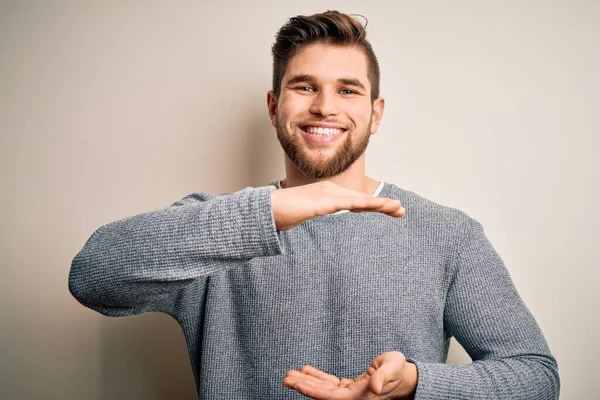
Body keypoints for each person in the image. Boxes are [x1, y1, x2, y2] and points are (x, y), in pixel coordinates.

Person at [69, 10, 560, 400]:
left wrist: (415, 383)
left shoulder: (447, 234)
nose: (325, 107)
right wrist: (266, 213)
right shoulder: (214, 228)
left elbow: (535, 378)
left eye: (348, 90)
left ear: (375, 114)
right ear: (272, 105)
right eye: (304, 87)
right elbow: (91, 276)